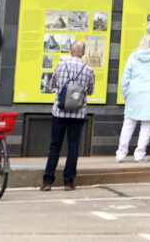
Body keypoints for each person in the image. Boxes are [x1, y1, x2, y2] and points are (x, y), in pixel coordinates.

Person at [42, 40, 95, 191]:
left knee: (54, 146)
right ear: (83, 53)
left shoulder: (60, 65)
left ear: (71, 51)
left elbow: (54, 84)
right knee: (73, 147)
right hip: (77, 114)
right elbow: (90, 91)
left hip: (59, 112)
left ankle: (47, 181)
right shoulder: (88, 70)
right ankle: (69, 182)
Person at [116, 34, 150, 163]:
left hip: (134, 92)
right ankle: (139, 154)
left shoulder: (132, 57)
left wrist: (126, 94)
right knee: (147, 125)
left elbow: (125, 79)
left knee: (128, 123)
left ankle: (121, 154)